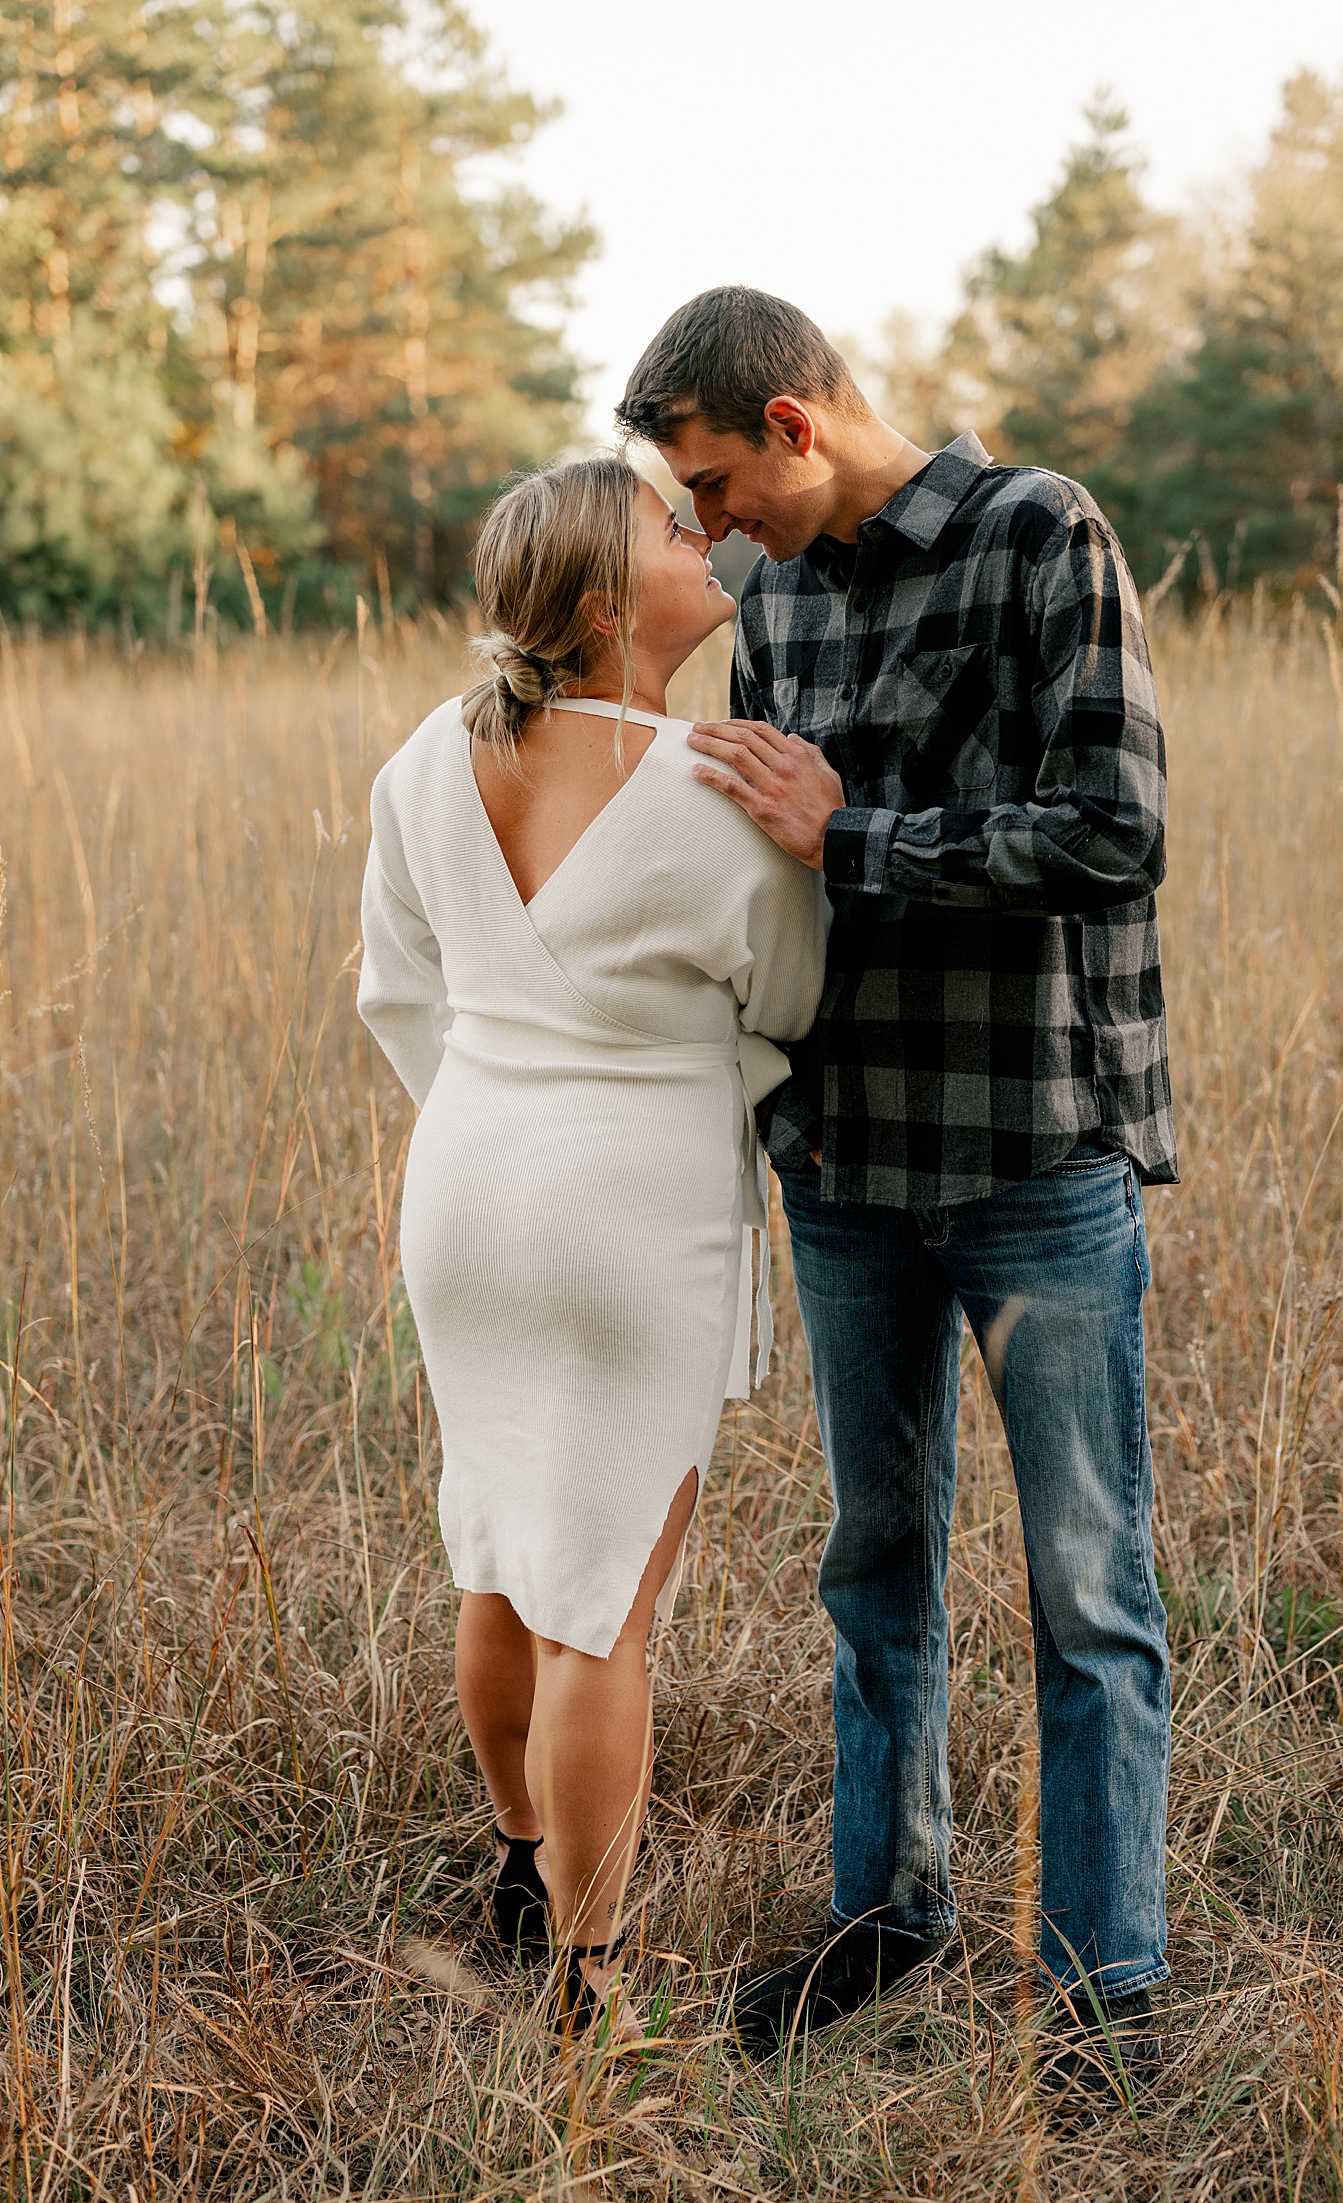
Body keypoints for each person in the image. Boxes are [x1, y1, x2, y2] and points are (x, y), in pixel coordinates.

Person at [617, 287, 1175, 2103]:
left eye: (711, 484)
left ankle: (1108, 1992)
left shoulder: (1040, 534)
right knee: (876, 1566)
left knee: (1087, 1589)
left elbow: (1113, 832)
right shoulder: (770, 599)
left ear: (791, 424)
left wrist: (853, 834)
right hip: (848, 1161)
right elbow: (766, 876)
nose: (703, 536)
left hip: (1032, 1157)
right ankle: (891, 1910)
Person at [356, 454, 826, 2039]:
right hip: (634, 1208)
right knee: (604, 1601)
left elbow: (395, 986)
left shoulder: (427, 758)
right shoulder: (724, 778)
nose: (709, 543)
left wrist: (489, 1114)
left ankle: (515, 1860)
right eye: (675, 531)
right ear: (613, 603)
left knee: (498, 1542)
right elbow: (790, 1002)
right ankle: (590, 1971)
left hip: (466, 1189)